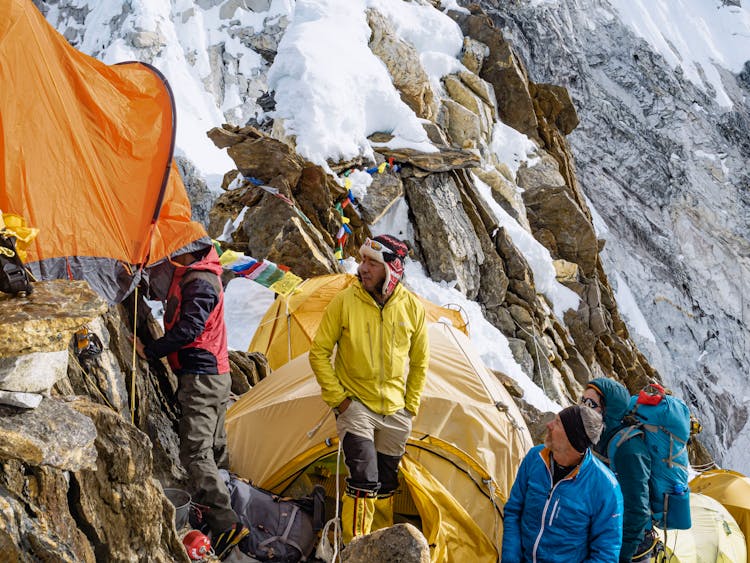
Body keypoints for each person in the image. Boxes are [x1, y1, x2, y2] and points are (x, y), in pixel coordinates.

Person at [309, 235, 429, 543]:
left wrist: (410, 407)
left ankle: (381, 541)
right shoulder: (345, 300)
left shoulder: (412, 308)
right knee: (364, 478)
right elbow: (318, 352)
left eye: (372, 263)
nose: (362, 268)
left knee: (387, 482)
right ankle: (357, 548)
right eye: (362, 261)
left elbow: (419, 363)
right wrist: (340, 400)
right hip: (355, 406)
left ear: (391, 268)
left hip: (396, 410)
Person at [135, 246, 248, 560]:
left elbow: (189, 328)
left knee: (196, 451)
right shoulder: (195, 275)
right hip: (213, 372)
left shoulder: (198, 281)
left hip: (201, 376)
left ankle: (226, 525)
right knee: (215, 446)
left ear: (186, 251)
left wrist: (151, 350)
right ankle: (229, 508)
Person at [501, 405, 623, 562]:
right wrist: (511, 558)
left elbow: (605, 555)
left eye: (557, 422)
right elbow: (513, 511)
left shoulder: (606, 488)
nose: (549, 425)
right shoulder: (535, 457)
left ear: (572, 438)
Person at [584, 379, 660, 562]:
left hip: (631, 549)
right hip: (604, 536)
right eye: (583, 401)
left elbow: (637, 512)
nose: (583, 408)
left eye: (591, 404)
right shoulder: (597, 435)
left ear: (609, 410)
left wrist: (622, 556)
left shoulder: (629, 450)